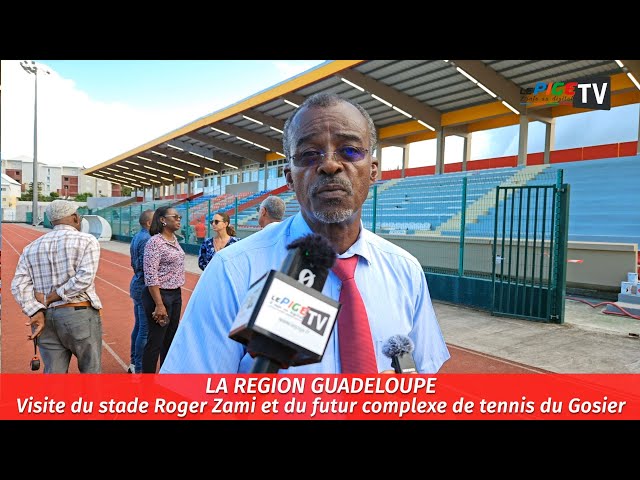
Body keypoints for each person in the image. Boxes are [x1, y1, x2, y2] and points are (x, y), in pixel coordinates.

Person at [160, 92, 450, 374]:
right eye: (310, 154)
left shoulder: (405, 270)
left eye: (349, 150)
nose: (329, 164)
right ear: (289, 177)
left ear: (373, 170)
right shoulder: (233, 271)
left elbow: (424, 377)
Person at [11, 200, 103, 373]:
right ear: (75, 217)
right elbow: (84, 278)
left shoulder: (31, 247)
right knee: (91, 373)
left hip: (45, 318)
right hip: (78, 314)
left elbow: (18, 285)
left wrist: (34, 310)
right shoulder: (87, 240)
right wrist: (54, 295)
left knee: (54, 376)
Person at [141, 206, 185, 373]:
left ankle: (165, 377)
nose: (179, 219)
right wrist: (159, 305)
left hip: (175, 294)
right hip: (159, 295)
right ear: (162, 220)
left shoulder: (174, 239)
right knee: (156, 341)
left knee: (170, 339)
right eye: (175, 216)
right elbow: (151, 275)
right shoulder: (155, 242)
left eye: (179, 216)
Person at [128, 209, 154, 373]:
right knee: (144, 330)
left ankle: (133, 362)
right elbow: (147, 267)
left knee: (139, 327)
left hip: (137, 283)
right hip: (143, 286)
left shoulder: (137, 236)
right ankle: (139, 366)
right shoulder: (147, 239)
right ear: (149, 223)